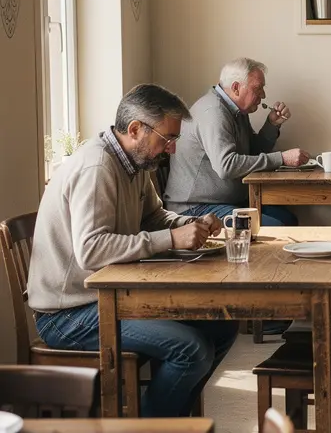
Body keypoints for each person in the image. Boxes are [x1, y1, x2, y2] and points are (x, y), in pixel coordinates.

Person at [29, 84, 238, 418]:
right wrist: (172, 240)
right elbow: (91, 250)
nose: (171, 150)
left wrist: (191, 223)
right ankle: (150, 427)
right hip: (68, 314)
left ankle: (171, 422)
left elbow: (154, 216)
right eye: (167, 139)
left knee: (223, 327)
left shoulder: (136, 164)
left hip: (108, 296)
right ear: (136, 129)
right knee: (191, 350)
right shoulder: (97, 168)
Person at [164, 57, 310, 226]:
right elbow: (227, 166)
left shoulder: (237, 111)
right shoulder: (214, 113)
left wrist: (272, 124)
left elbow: (252, 152)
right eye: (258, 88)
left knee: (288, 220)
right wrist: (282, 158)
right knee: (277, 226)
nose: (263, 95)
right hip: (196, 208)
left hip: (227, 204)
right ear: (235, 88)